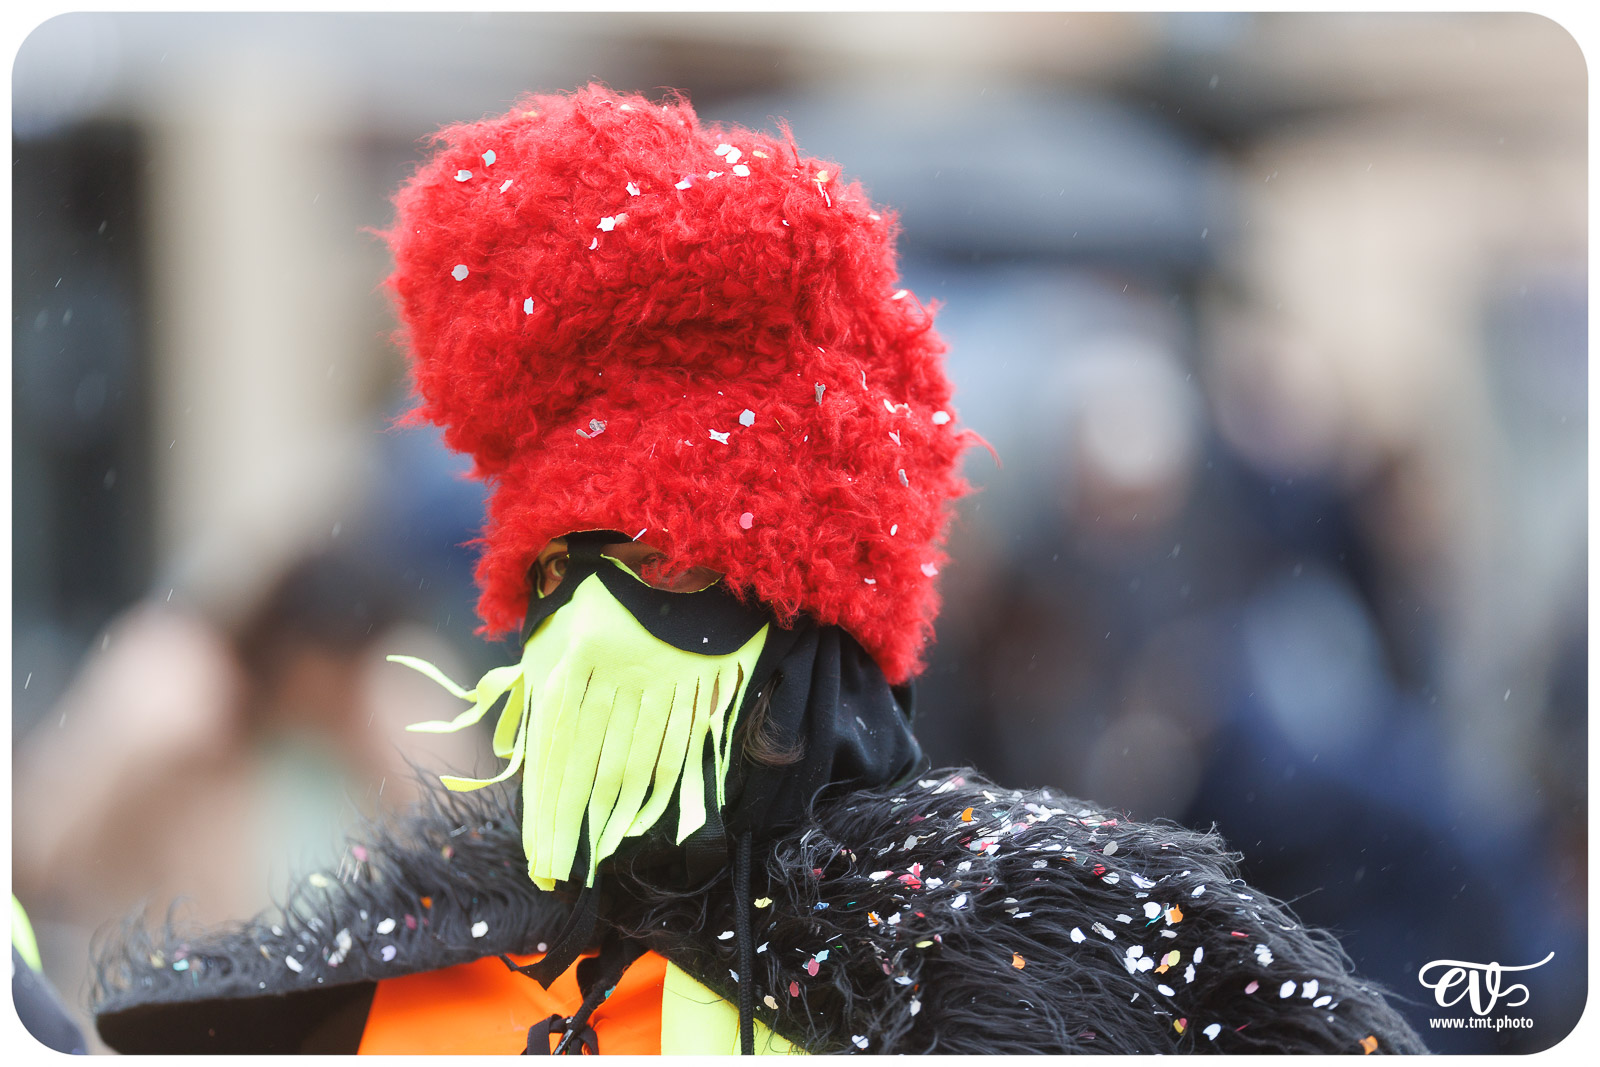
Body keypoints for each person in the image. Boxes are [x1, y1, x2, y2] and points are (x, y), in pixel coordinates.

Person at [90, 84, 1426, 1055]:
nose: (595, 624)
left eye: (660, 558)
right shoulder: (398, 980)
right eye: (561, 569)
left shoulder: (1063, 950)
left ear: (802, 614)